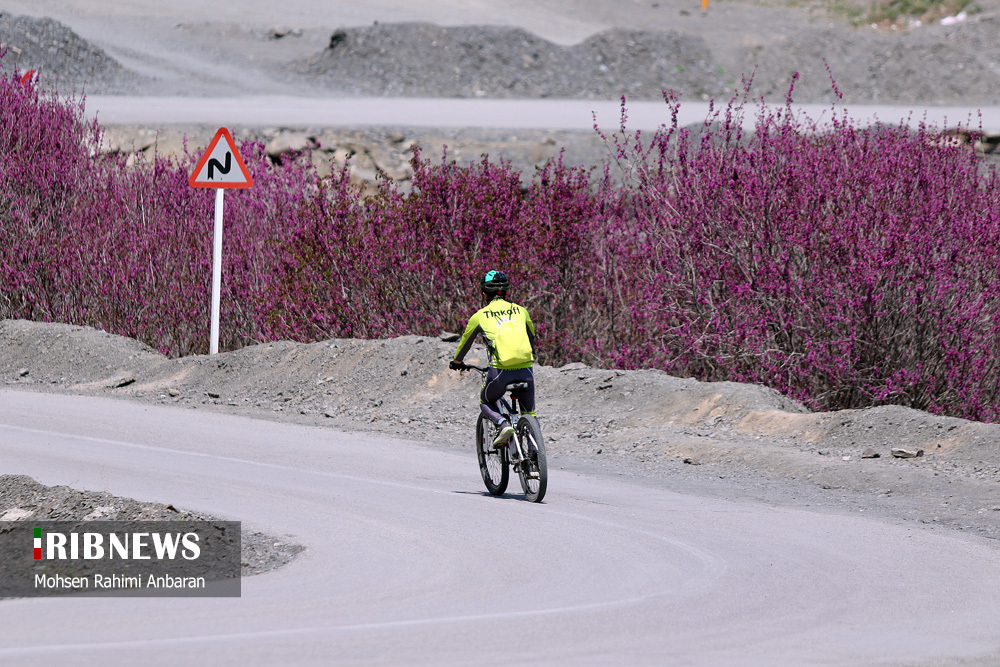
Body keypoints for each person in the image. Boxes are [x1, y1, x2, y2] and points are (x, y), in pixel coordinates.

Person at [450, 270, 536, 455]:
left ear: (484, 294)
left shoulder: (479, 316)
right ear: (506, 292)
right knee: (530, 414)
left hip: (500, 373)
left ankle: (502, 423)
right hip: (526, 371)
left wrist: (457, 361)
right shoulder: (522, 311)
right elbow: (532, 337)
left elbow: (465, 343)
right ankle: (534, 455)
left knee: (486, 400)